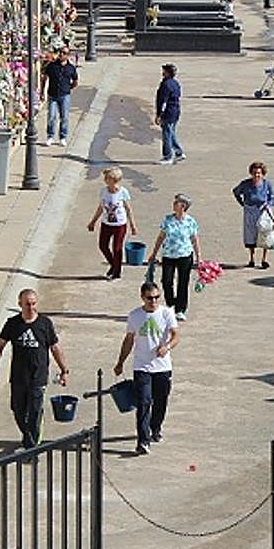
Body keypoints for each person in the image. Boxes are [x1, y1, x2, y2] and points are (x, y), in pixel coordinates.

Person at [0, 289, 70, 449]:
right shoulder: (13, 324)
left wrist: (64, 370)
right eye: (27, 304)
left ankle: (31, 447)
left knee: (34, 412)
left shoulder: (44, 324)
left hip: (38, 377)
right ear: (20, 304)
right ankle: (28, 437)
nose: (31, 307)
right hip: (18, 376)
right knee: (18, 410)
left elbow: (54, 348)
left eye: (33, 304)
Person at [114, 281, 180, 455]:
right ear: (142, 297)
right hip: (142, 366)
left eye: (157, 297)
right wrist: (120, 362)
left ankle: (155, 428)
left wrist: (167, 346)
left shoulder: (166, 313)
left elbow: (175, 336)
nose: (154, 301)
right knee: (144, 402)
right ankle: (143, 441)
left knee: (161, 400)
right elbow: (129, 340)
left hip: (162, 367)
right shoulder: (135, 316)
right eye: (150, 298)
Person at [146, 193, 201, 321]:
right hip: (168, 255)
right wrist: (153, 254)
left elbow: (194, 239)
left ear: (183, 206)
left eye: (176, 203)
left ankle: (180, 309)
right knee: (166, 281)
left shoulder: (190, 222)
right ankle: (171, 304)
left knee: (183, 283)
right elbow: (161, 237)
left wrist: (199, 257)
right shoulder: (168, 219)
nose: (174, 205)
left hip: (185, 255)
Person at [86, 167, 138, 280]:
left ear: (114, 180)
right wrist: (93, 221)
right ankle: (113, 265)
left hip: (119, 224)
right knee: (103, 245)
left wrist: (133, 225)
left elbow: (128, 209)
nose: (105, 180)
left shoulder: (123, 192)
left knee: (117, 248)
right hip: (106, 223)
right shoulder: (104, 191)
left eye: (108, 178)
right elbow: (101, 207)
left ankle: (116, 272)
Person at [232, 161, 274, 269]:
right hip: (250, 211)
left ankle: (264, 260)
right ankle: (251, 259)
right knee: (251, 235)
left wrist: (269, 205)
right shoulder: (245, 184)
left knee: (265, 233)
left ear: (263, 174)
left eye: (259, 173)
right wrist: (242, 203)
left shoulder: (267, 184)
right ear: (251, 173)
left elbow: (272, 198)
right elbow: (236, 192)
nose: (257, 175)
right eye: (255, 172)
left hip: (263, 211)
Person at [42, 44, 78, 146]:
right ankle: (50, 136)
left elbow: (75, 81)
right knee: (52, 116)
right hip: (52, 94)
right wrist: (42, 92)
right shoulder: (52, 66)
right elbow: (44, 78)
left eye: (64, 53)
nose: (61, 55)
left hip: (64, 95)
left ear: (68, 55)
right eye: (61, 52)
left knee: (64, 117)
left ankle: (63, 136)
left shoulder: (71, 68)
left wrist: (68, 88)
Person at [154, 63, 185, 166]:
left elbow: (163, 101)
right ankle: (178, 152)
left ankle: (168, 156)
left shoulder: (165, 84)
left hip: (168, 112)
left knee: (166, 134)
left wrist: (159, 115)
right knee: (171, 132)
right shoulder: (175, 83)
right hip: (176, 111)